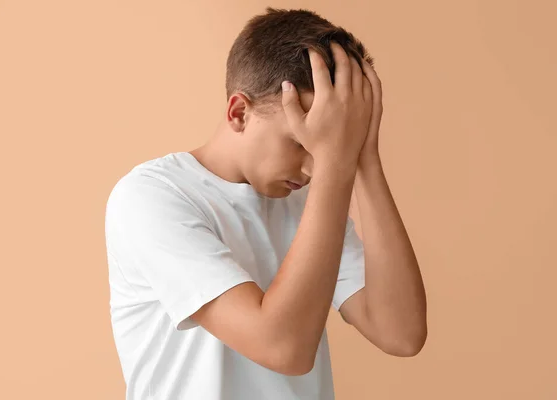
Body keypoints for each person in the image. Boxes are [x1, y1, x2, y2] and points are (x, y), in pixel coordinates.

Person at [104, 7, 427, 400]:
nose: (313, 167)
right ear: (239, 113)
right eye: (300, 142)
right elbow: (283, 347)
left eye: (327, 145)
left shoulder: (311, 201)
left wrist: (365, 157)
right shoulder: (152, 197)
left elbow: (401, 332)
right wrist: (335, 164)